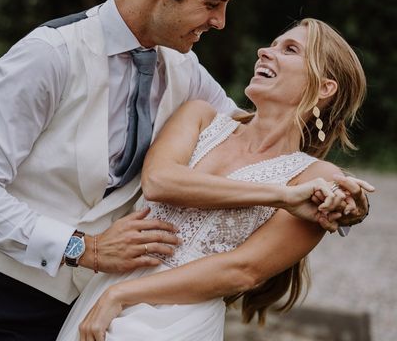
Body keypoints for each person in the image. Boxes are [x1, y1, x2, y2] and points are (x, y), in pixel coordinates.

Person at [0, 0, 368, 340]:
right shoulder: (49, 55)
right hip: (9, 295)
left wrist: (348, 199)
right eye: (212, 3)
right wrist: (82, 248)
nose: (220, 23)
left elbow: (258, 139)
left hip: (112, 308)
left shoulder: (184, 71)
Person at [58, 18, 373, 341]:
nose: (265, 52)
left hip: (180, 316)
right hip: (108, 289)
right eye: (272, 44)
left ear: (324, 87)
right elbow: (160, 182)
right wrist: (280, 196)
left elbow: (242, 271)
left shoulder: (316, 177)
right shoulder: (200, 116)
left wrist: (121, 295)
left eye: (290, 49)